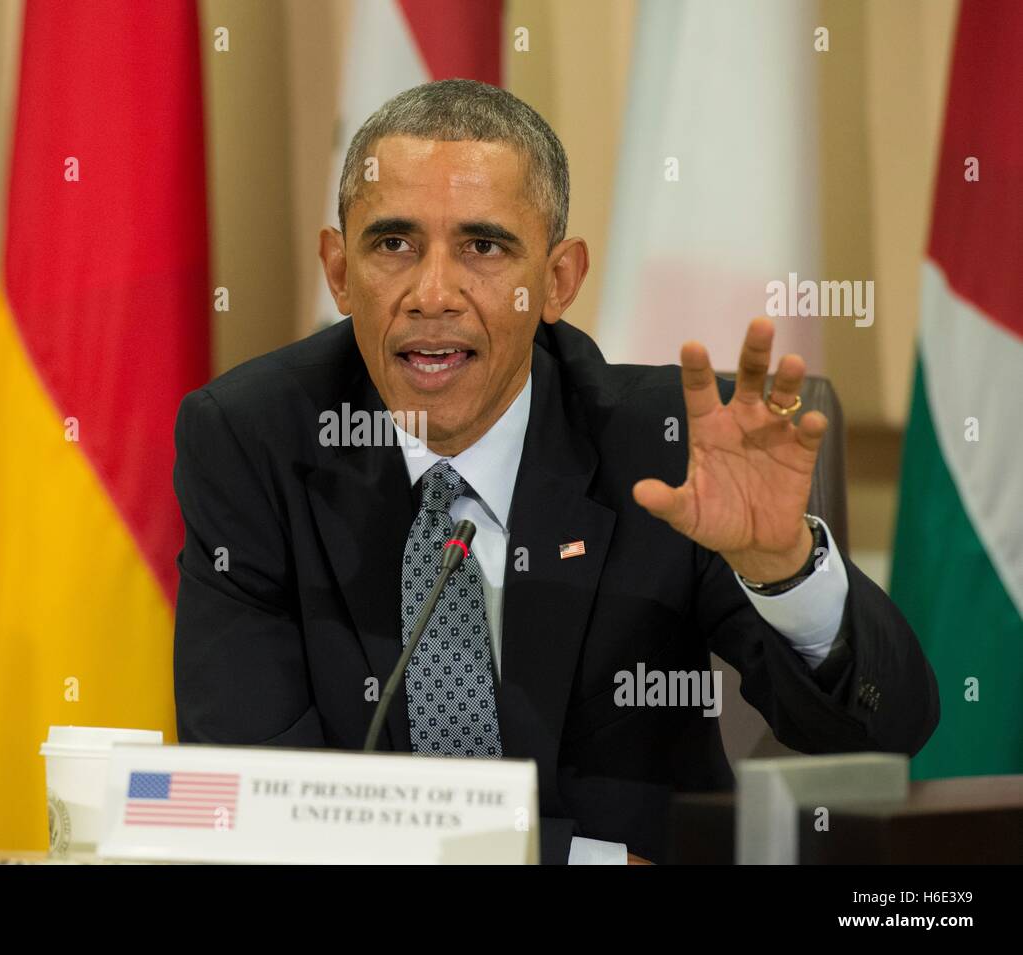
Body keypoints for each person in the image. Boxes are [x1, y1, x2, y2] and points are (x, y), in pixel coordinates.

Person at [171, 79, 938, 864]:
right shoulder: (252, 441)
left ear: (560, 281)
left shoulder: (669, 446)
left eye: (484, 246)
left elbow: (885, 730)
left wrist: (785, 570)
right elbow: (246, 791)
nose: (432, 294)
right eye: (393, 244)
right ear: (338, 270)